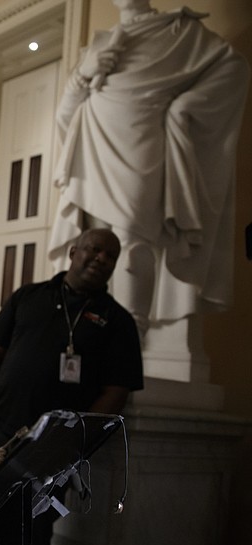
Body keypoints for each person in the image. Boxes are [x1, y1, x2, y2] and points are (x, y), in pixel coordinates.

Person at [50, 0, 249, 335]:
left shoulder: (181, 32)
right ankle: (86, 334)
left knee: (132, 240)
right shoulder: (98, 45)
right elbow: (65, 117)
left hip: (142, 149)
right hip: (93, 151)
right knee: (92, 245)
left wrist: (186, 107)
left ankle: (132, 339)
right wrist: (83, 74)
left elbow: (235, 68)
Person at [0, 228, 144, 545]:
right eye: (94, 249)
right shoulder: (28, 296)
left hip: (50, 453)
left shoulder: (118, 322)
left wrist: (71, 443)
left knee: (29, 540)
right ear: (74, 252)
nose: (101, 258)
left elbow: (117, 391)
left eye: (110, 256)